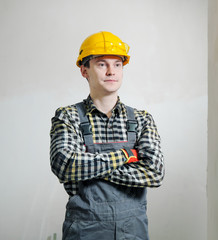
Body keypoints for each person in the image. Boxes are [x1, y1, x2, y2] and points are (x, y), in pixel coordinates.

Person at [50, 31, 165, 240]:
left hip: (132, 231)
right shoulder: (68, 117)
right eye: (102, 64)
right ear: (84, 70)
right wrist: (125, 156)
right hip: (84, 230)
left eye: (118, 64)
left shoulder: (141, 119)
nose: (111, 71)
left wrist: (88, 170)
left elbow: (154, 173)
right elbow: (64, 165)